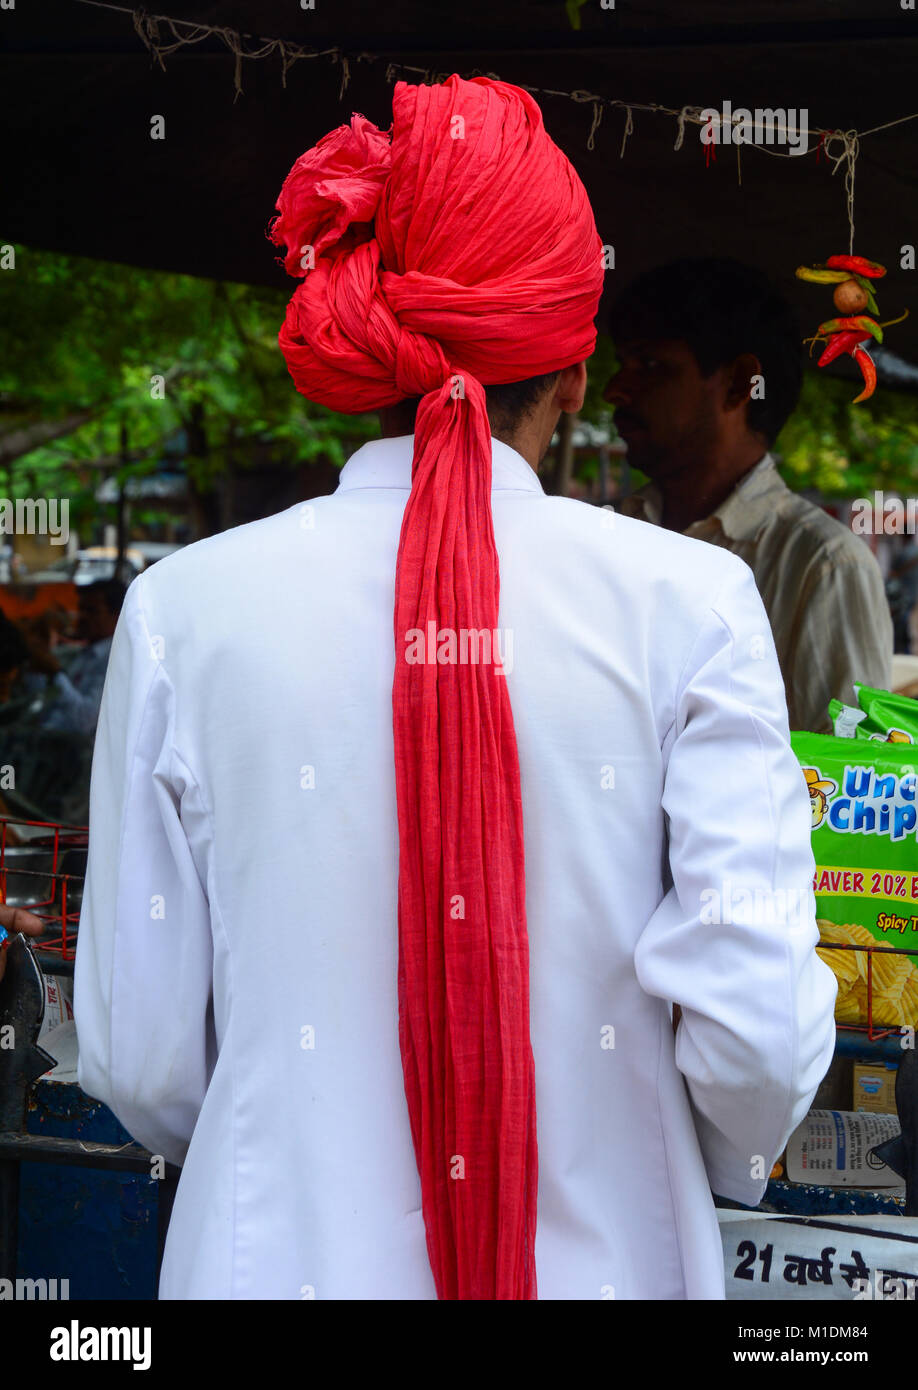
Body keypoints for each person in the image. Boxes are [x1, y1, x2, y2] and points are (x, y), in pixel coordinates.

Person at [74, 75, 836, 1301]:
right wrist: (628, 1146)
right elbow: (754, 1043)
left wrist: (295, 1139)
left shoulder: (183, 612)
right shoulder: (689, 605)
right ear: (575, 370)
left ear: (362, 333)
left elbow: (141, 1057)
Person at [605, 257, 893, 733]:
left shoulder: (823, 568)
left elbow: (846, 782)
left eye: (651, 366)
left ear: (740, 384)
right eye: (623, 365)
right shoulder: (616, 531)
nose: (615, 389)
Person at [28, 579, 125, 734]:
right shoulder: (82, 654)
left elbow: (85, 721)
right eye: (81, 609)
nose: (82, 617)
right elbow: (40, 704)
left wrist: (55, 673)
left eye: (92, 611)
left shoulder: (117, 660)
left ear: (117, 616)